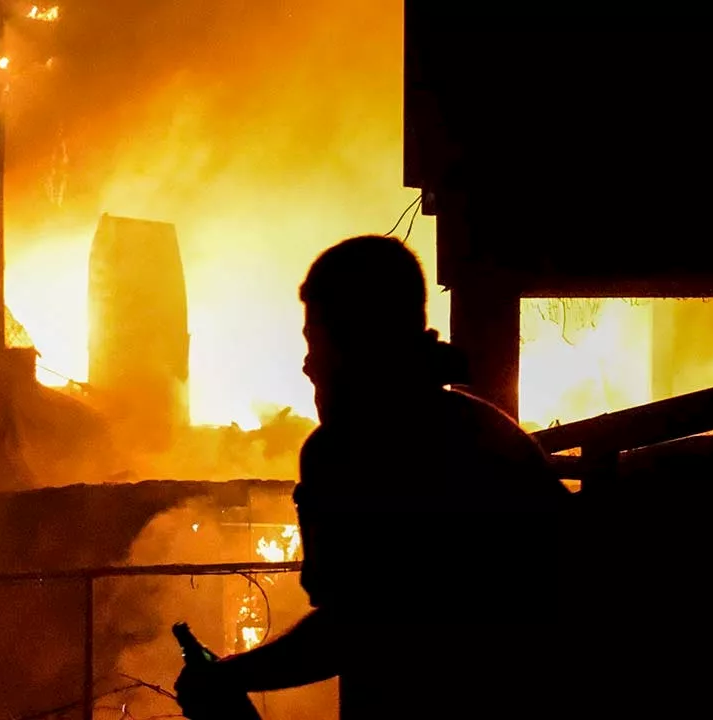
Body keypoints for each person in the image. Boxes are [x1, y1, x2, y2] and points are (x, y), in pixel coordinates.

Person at [175, 235, 571, 718]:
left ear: (355, 344)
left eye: (316, 342)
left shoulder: (351, 450)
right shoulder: (487, 431)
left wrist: (229, 677)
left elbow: (359, 626)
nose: (307, 365)